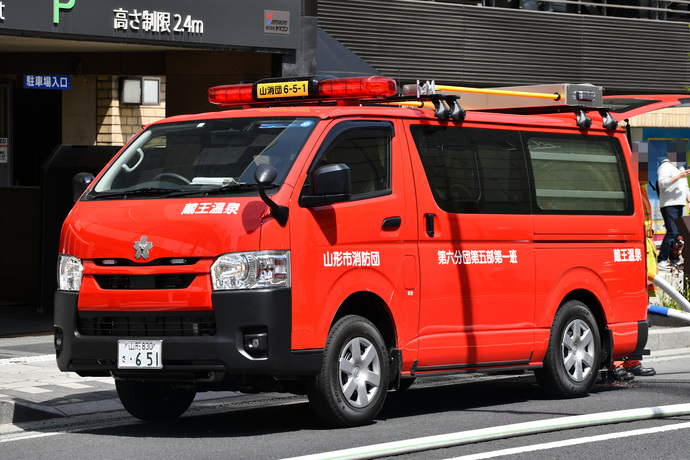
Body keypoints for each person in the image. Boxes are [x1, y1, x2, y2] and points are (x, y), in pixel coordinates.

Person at [610, 184, 657, 380]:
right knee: (617, 306)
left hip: (640, 252)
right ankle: (615, 361)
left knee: (637, 308)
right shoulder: (619, 184)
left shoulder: (641, 188)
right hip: (623, 250)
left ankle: (632, 358)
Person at [656, 157, 690, 269]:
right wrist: (680, 176)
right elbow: (662, 183)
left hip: (680, 203)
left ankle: (674, 259)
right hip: (669, 204)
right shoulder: (665, 166)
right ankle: (661, 259)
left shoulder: (680, 168)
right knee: (672, 231)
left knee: (677, 232)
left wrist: (688, 198)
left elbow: (685, 186)